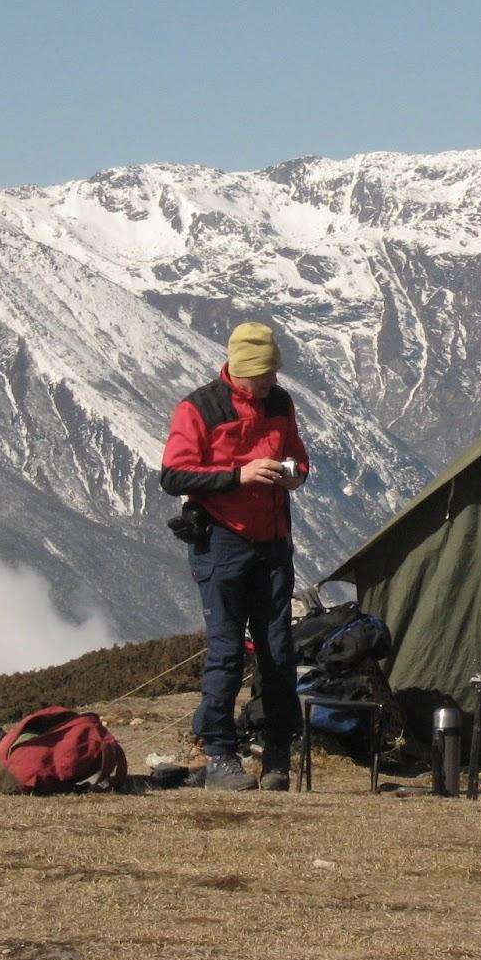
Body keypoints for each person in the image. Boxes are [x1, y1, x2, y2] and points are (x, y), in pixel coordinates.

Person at [160, 322, 309, 791]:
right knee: (225, 650)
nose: (270, 382)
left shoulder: (280, 404)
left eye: (272, 372)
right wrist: (237, 475)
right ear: (240, 372)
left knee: (278, 650)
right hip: (222, 542)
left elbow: (298, 460)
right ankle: (221, 755)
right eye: (261, 375)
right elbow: (174, 475)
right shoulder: (199, 408)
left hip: (273, 542)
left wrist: (292, 476)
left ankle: (278, 754)